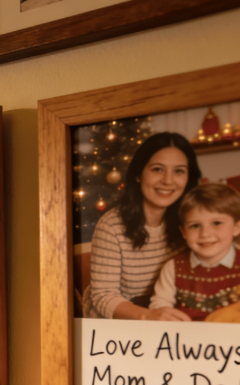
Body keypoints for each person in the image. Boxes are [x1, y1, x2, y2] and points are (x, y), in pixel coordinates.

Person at [84, 132, 203, 321]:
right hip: (117, 325)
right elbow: (103, 295)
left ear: (189, 177)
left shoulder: (189, 221)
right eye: (157, 169)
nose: (168, 180)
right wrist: (148, 316)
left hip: (166, 319)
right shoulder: (112, 225)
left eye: (179, 171)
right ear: (139, 174)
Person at [149, 183, 240, 320]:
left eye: (216, 223)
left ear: (236, 227)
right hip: (187, 337)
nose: (205, 234)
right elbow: (160, 307)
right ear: (184, 232)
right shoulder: (174, 268)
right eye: (195, 226)